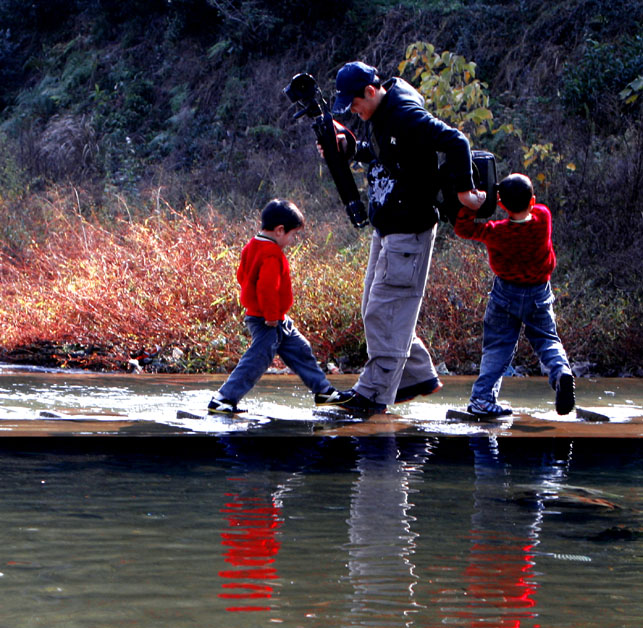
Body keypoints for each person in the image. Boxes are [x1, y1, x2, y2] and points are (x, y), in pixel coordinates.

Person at [325, 61, 482, 414]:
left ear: (370, 91)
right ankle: (415, 378)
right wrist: (348, 149)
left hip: (410, 228)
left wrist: (466, 191)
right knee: (373, 308)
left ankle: (373, 395)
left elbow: (457, 141)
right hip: (387, 225)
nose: (354, 112)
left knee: (386, 310)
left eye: (354, 104)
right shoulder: (381, 114)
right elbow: (385, 155)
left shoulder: (405, 114)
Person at [454, 173, 575, 417]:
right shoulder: (543, 219)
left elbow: (463, 228)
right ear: (532, 200)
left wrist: (473, 204)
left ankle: (482, 398)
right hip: (539, 292)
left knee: (498, 346)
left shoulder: (496, 232)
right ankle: (561, 372)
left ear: (501, 205)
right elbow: (535, 206)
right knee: (546, 339)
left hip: (505, 294)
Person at [207, 199, 346, 413]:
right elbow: (267, 288)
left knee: (300, 349)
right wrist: (271, 315)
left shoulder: (251, 246)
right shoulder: (271, 254)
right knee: (258, 358)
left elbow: (241, 276)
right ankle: (224, 399)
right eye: (293, 235)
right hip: (268, 320)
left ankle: (324, 392)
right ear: (280, 230)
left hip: (276, 318)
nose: (293, 240)